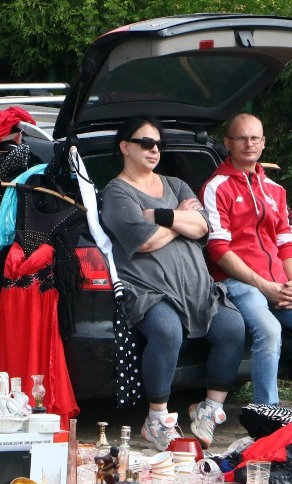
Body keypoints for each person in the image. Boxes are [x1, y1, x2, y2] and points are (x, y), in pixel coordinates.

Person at [100, 116, 245, 451]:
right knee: (167, 331)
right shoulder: (117, 192)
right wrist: (181, 220)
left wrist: (160, 216)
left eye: (158, 145)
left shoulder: (176, 184)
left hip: (197, 289)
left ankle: (210, 408)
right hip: (149, 290)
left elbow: (204, 227)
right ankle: (157, 420)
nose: (155, 150)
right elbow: (145, 240)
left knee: (233, 327)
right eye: (146, 143)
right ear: (125, 147)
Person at [199, 113, 292, 405]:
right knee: (269, 331)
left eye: (255, 138)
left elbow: (286, 240)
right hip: (237, 281)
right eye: (241, 138)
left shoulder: (275, 190)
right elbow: (218, 249)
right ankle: (267, 415)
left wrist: (291, 282)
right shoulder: (216, 187)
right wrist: (265, 286)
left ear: (264, 143)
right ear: (228, 143)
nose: (249, 143)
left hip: (279, 282)